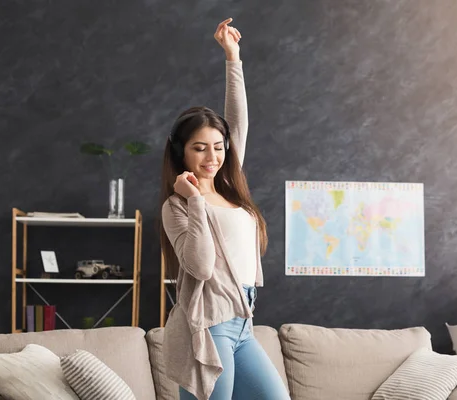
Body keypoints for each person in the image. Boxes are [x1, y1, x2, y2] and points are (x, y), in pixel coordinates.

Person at [159, 18, 290, 400]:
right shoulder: (177, 206)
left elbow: (238, 122)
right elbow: (199, 266)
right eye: (200, 147)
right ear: (181, 150)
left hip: (244, 323)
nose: (211, 156)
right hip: (209, 325)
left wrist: (233, 58)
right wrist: (196, 199)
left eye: (218, 147)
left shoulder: (230, 187)